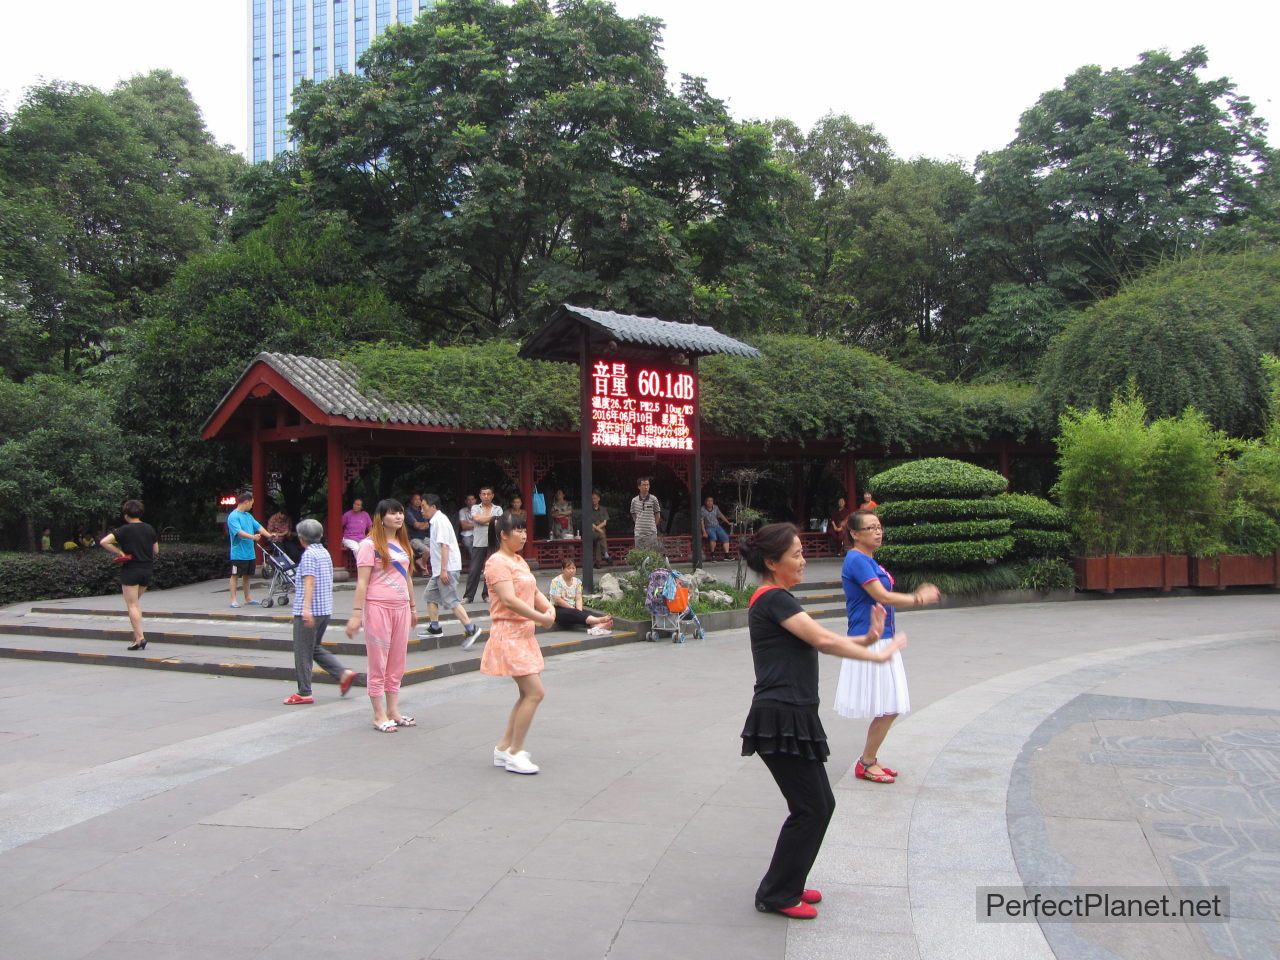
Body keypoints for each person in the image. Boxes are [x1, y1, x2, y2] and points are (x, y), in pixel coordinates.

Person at [739, 522, 906, 919]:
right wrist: (877, 655)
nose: (803, 560)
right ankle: (777, 894)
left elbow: (821, 637)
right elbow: (824, 641)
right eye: (796, 554)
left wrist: (868, 640)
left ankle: (787, 883)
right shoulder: (773, 598)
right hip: (779, 717)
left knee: (818, 804)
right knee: (811, 808)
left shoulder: (777, 598)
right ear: (771, 562)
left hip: (792, 715)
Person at [834, 509, 941, 783]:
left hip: (882, 635)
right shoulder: (857, 560)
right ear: (855, 534)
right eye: (870, 528)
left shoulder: (869, 560)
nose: (878, 532)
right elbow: (881, 595)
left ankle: (869, 759)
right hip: (870, 638)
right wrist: (918, 598)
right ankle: (866, 762)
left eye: (879, 527)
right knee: (890, 705)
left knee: (889, 705)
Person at [482, 511, 557, 774]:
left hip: (523, 634)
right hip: (508, 633)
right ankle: (514, 752)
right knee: (535, 692)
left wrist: (549, 609)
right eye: (518, 530)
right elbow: (509, 600)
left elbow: (534, 591)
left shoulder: (519, 560)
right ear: (503, 534)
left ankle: (505, 748)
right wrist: (541, 618)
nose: (524, 535)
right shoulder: (497, 563)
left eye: (525, 530)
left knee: (527, 693)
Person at [345, 498, 417, 732]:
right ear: (381, 517)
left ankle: (393, 710)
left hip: (401, 608)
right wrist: (357, 614)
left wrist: (413, 608)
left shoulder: (402, 544)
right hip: (378, 608)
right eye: (393, 513)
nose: (398, 517)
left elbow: (407, 577)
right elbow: (362, 582)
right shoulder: (369, 545)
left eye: (401, 513)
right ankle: (378, 713)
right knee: (379, 662)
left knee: (397, 661)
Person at [284, 519, 357, 705]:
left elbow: (309, 581)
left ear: (301, 538)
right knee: (314, 647)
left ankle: (304, 692)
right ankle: (342, 673)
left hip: (311, 611)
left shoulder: (309, 555)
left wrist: (305, 609)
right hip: (324, 609)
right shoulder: (324, 552)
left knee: (302, 651)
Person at [418, 494, 483, 648]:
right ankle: (435, 627)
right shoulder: (436, 521)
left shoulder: (439, 521)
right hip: (440, 569)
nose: (421, 510)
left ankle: (471, 628)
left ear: (433, 507)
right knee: (430, 596)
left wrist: (443, 571)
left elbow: (444, 547)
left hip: (447, 568)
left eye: (423, 507)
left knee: (451, 600)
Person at [99, 500, 159, 650]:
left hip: (131, 569)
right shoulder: (149, 528)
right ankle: (136, 638)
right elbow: (156, 550)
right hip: (147, 570)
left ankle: (140, 637)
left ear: (126, 515)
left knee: (132, 605)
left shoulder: (124, 530)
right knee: (135, 604)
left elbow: (104, 542)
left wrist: (120, 552)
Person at [547, 560, 614, 635]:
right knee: (575, 613)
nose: (571, 571)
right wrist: (573, 610)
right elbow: (557, 600)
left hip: (572, 608)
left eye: (573, 568)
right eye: (569, 568)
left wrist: (579, 611)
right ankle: (599, 620)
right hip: (557, 609)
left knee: (585, 613)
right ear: (563, 569)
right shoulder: (556, 581)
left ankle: (596, 626)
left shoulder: (577, 582)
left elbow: (578, 598)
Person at [462, 487, 502, 604]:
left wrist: (485, 520)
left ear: (492, 496)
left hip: (493, 543)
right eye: (483, 494)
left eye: (488, 494)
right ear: (480, 496)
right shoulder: (475, 507)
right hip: (478, 543)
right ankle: (468, 596)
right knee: (474, 569)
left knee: (490, 570)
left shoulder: (497, 508)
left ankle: (487, 594)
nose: (486, 496)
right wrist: (492, 519)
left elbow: (498, 523)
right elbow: (477, 519)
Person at [227, 492, 265, 608]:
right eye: (251, 504)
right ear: (246, 502)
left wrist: (269, 535)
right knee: (235, 575)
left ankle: (248, 598)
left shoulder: (248, 516)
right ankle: (233, 600)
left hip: (249, 552)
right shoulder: (233, 516)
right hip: (238, 553)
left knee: (247, 576)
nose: (252, 506)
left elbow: (258, 526)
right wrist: (253, 537)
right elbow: (238, 532)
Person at [630, 476, 662, 554]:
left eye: (648, 485)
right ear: (639, 487)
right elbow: (633, 514)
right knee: (640, 555)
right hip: (639, 533)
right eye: (644, 485)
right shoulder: (634, 500)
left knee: (652, 555)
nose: (646, 487)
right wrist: (638, 523)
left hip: (651, 533)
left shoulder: (654, 499)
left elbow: (657, 514)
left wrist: (653, 525)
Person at [405, 493, 433, 576]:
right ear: (411, 501)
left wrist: (420, 525)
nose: (418, 501)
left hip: (423, 537)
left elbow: (427, 525)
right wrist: (421, 525)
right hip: (413, 538)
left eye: (419, 499)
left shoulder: (422, 511)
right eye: (415, 499)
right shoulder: (408, 512)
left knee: (438, 545)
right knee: (427, 551)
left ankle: (422, 561)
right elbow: (416, 525)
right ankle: (424, 568)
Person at [700, 495, 732, 561]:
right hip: (709, 527)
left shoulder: (715, 507)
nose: (710, 502)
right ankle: (713, 555)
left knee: (726, 538)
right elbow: (702, 521)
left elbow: (721, 515)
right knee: (713, 538)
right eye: (708, 501)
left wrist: (728, 522)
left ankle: (726, 555)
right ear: (705, 502)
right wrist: (704, 532)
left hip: (717, 526)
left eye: (711, 501)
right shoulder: (702, 509)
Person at [589, 491, 610, 565]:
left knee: (599, 541)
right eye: (592, 499)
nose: (593, 500)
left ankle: (598, 563)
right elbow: (590, 523)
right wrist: (598, 529)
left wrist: (598, 529)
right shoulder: (589, 510)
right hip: (592, 532)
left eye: (595, 498)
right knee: (602, 535)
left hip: (600, 531)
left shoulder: (603, 509)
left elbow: (605, 522)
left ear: (598, 499)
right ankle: (606, 554)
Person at [457, 493, 476, 566]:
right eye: (468, 500)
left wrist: (469, 525)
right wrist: (477, 524)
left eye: (472, 499)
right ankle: (476, 564)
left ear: (475, 501)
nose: (470, 501)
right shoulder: (462, 511)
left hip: (478, 534)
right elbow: (464, 526)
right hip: (466, 534)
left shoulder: (480, 510)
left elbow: (483, 524)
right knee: (468, 544)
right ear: (466, 501)